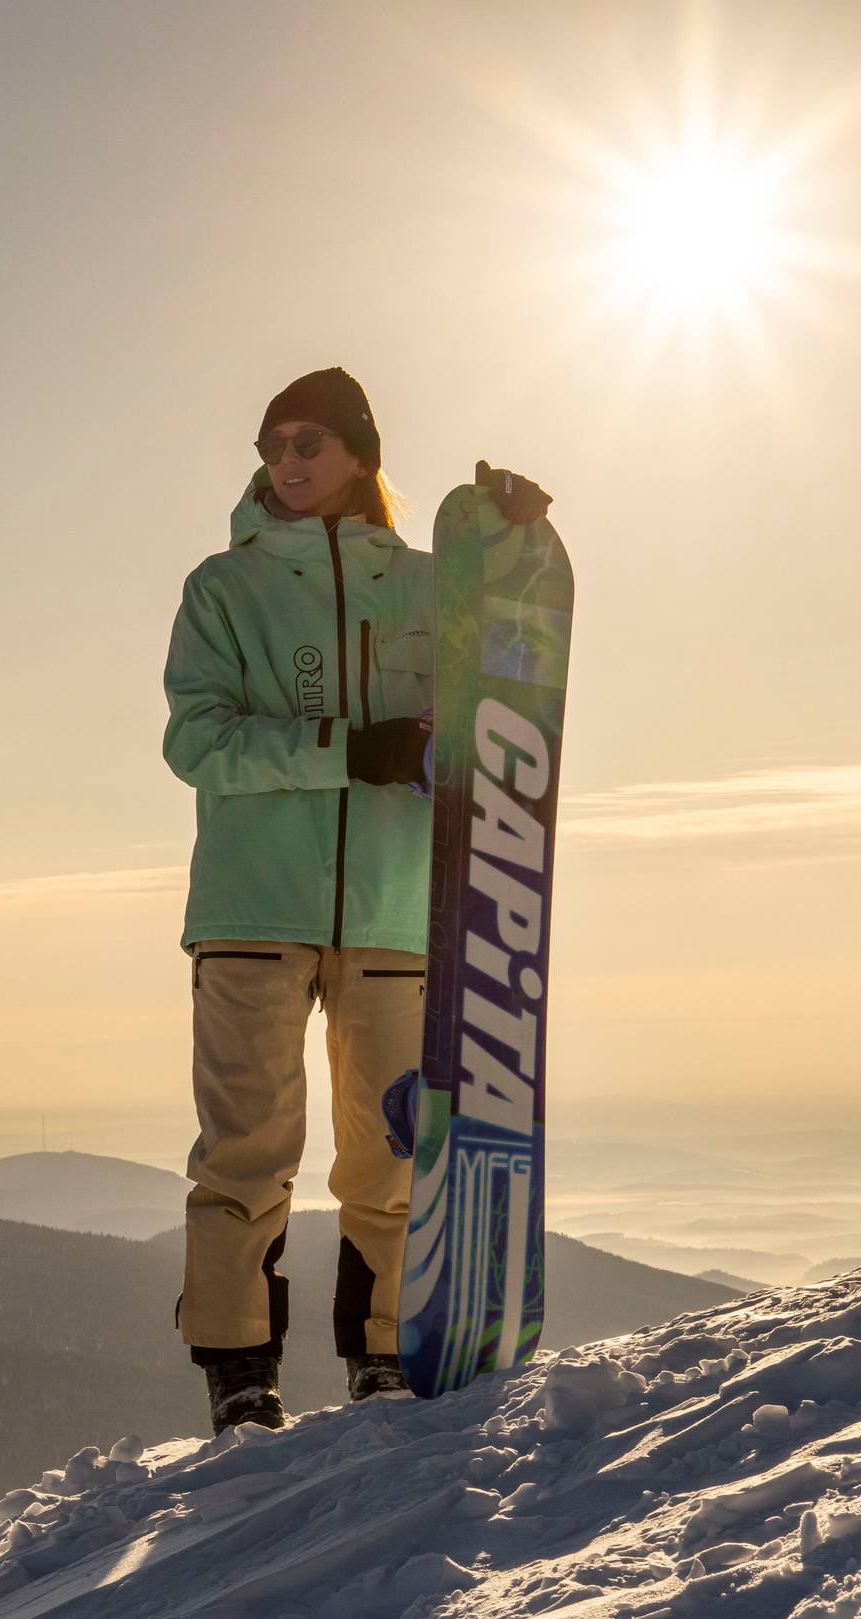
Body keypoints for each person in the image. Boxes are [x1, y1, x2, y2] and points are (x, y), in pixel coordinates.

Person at [161, 367, 547, 1432]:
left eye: (308, 443)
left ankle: (383, 1355)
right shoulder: (221, 589)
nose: (284, 463)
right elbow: (196, 743)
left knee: (386, 1154)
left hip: (392, 908)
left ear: (359, 454)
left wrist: (511, 557)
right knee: (246, 1152)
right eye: (272, 445)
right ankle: (240, 1372)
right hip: (252, 909)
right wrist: (350, 748)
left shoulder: (430, 586)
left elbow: (508, 682)